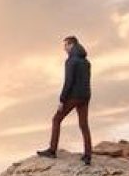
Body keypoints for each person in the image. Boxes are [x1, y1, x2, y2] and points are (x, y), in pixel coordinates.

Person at [37, 35, 92, 164]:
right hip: (85, 96)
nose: (64, 48)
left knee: (56, 119)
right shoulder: (86, 62)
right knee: (84, 125)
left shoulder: (71, 61)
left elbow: (68, 82)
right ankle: (88, 155)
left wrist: (62, 100)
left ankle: (52, 150)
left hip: (73, 96)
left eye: (65, 45)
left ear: (71, 45)